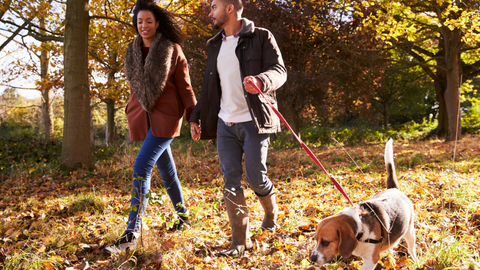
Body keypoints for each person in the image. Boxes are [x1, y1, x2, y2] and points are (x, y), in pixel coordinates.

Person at [189, 0, 287, 258]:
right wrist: (195, 117)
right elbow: (210, 88)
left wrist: (261, 81)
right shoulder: (214, 45)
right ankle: (240, 243)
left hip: (254, 121)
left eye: (214, 7)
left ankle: (270, 212)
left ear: (229, 8)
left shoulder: (262, 36)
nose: (210, 13)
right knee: (230, 181)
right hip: (225, 123)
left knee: (256, 177)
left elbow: (280, 71)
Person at [103, 0, 197, 254]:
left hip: (166, 117)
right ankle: (184, 216)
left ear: (157, 23)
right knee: (167, 171)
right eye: (139, 21)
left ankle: (131, 234)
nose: (143, 26)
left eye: (148, 21)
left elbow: (185, 87)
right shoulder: (131, 50)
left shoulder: (172, 49)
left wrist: (193, 117)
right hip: (141, 117)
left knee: (141, 166)